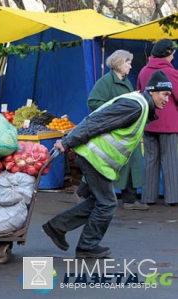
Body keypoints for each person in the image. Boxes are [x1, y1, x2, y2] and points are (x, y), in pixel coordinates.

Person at [43, 70, 172, 259]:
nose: (167, 99)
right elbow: (96, 121)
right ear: (152, 91)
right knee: (107, 203)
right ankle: (87, 245)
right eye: (164, 94)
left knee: (99, 201)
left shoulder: (141, 105)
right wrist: (67, 141)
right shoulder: (135, 106)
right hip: (93, 157)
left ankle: (58, 227)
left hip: (97, 159)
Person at [75, 50, 148, 210]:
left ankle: (129, 199)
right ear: (119, 63)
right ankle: (82, 192)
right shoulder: (106, 82)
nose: (130, 65)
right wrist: (115, 111)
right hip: (112, 132)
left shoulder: (126, 82)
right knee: (102, 164)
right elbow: (93, 102)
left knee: (131, 162)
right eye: (128, 62)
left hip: (125, 131)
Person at [137, 39, 178, 207]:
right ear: (167, 54)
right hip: (168, 123)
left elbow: (140, 92)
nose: (174, 56)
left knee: (150, 159)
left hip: (148, 121)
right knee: (170, 160)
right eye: (172, 53)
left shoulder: (143, 71)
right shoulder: (171, 73)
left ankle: (148, 197)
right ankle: (173, 198)